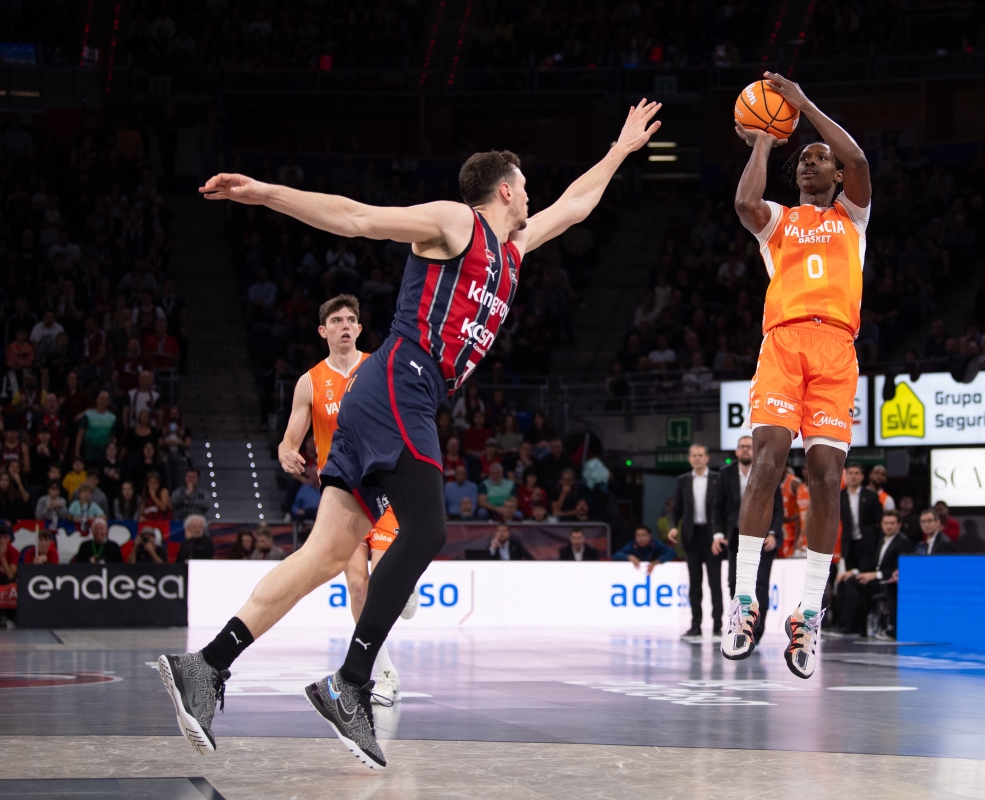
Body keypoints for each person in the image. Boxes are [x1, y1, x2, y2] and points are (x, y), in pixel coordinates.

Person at [159, 98, 663, 769]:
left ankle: (206, 665)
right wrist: (265, 194)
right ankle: (352, 683)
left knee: (321, 557)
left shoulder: (512, 251)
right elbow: (358, 218)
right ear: (506, 189)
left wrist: (622, 149)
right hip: (401, 381)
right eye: (526, 187)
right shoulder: (457, 224)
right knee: (426, 531)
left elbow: (576, 204)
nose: (534, 198)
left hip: (404, 396)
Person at [729, 73, 871, 674]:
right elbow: (743, 204)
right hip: (784, 343)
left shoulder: (853, 218)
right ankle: (743, 601)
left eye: (821, 159)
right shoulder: (780, 223)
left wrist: (804, 104)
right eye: (804, 159)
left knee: (826, 476)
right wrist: (764, 138)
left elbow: (859, 156)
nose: (811, 163)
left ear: (835, 175)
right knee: (767, 462)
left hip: (836, 347)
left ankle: (808, 614)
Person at [276, 294, 408, 704]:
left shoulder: (377, 368)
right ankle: (384, 673)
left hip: (385, 488)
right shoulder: (309, 382)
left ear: (359, 329)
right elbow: (290, 438)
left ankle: (407, 585)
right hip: (343, 496)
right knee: (356, 585)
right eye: (337, 320)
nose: (346, 325)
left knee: (389, 585)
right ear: (324, 331)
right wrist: (285, 451)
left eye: (352, 319)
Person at [713, 435, 783, 651]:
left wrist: (773, 532)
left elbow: (777, 506)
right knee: (735, 583)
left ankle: (756, 631)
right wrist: (717, 534)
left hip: (764, 538)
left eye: (749, 447)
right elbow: (717, 506)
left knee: (761, 584)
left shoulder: (768, 469)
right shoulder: (725, 474)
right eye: (741, 447)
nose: (745, 450)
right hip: (736, 536)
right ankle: (738, 626)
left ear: (755, 451)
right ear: (736, 451)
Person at [666, 443, 722, 639]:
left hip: (712, 537)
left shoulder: (717, 479)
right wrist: (673, 526)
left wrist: (720, 533)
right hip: (691, 536)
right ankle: (695, 626)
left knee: (715, 583)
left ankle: (717, 626)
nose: (697, 458)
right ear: (690, 458)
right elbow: (676, 510)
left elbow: (722, 507)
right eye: (694, 455)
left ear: (707, 458)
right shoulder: (683, 481)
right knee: (694, 584)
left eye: (701, 455)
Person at [832, 510, 910, 636]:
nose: (889, 526)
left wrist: (875, 575)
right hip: (875, 579)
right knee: (845, 580)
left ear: (899, 525)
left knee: (854, 584)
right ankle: (844, 623)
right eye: (886, 523)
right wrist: (854, 571)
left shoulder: (902, 542)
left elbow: (900, 569)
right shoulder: (880, 539)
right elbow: (871, 564)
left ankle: (850, 626)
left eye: (892, 523)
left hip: (887, 582)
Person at [840, 463, 883, 574]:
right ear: (845, 476)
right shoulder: (840, 496)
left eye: (857, 473)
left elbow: (879, 521)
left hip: (867, 544)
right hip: (848, 544)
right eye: (850, 473)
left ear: (862, 477)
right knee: (849, 578)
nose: (853, 476)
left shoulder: (871, 496)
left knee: (864, 576)